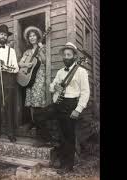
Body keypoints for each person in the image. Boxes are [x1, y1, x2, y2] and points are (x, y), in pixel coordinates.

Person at [36, 42, 90, 173]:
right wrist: (55, 87)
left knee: (68, 136)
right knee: (39, 116)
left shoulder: (81, 71)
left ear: (74, 57)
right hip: (58, 103)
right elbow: (51, 87)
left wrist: (78, 109)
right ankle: (51, 140)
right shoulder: (60, 72)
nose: (66, 57)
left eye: (69, 55)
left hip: (71, 105)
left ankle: (67, 165)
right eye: (64, 55)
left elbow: (85, 92)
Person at [18, 26, 47, 129]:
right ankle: (32, 122)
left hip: (39, 76)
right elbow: (20, 63)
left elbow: (44, 61)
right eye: (30, 36)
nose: (32, 38)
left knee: (38, 98)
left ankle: (40, 123)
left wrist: (41, 51)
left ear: (38, 37)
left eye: (34, 35)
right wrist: (27, 65)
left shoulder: (43, 47)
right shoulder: (27, 52)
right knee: (30, 99)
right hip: (29, 77)